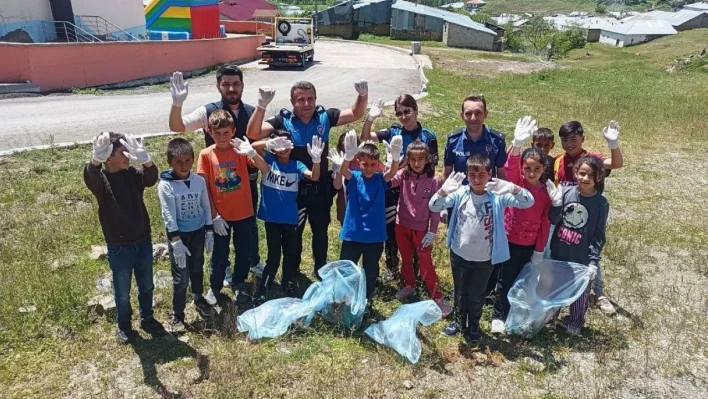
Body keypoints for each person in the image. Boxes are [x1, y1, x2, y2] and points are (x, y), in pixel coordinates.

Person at [246, 81, 369, 278]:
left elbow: (355, 113)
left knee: (320, 234)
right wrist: (261, 105)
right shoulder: (282, 119)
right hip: (294, 191)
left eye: (310, 98)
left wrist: (362, 96)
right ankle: (292, 271)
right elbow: (253, 133)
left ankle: (320, 269)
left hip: (320, 188)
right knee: (294, 235)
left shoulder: (325, 117)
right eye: (300, 99)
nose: (306, 103)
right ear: (292, 102)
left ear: (315, 99)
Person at [168, 67, 265, 281]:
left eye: (236, 84)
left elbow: (266, 135)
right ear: (218, 86)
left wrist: (267, 142)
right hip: (217, 185)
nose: (231, 88)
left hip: (247, 182)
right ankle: (224, 268)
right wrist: (177, 103)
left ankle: (252, 261)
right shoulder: (209, 112)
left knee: (248, 228)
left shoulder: (250, 111)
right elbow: (178, 126)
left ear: (242, 85)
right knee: (221, 231)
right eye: (226, 84)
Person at [429, 154, 534, 346]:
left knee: (477, 294)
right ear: (467, 175)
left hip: (485, 258)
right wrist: (443, 192)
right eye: (472, 175)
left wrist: (513, 188)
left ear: (490, 174)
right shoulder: (460, 194)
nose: (477, 180)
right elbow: (433, 206)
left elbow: (528, 202)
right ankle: (459, 322)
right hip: (459, 254)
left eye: (482, 175)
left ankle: (474, 325)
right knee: (460, 291)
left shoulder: (497, 197)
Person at [84, 132, 164, 344]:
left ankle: (147, 318)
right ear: (108, 158)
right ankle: (124, 326)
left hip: (143, 241)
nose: (128, 156)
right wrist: (94, 162)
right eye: (123, 152)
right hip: (119, 246)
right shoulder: (102, 181)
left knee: (147, 285)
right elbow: (90, 177)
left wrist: (146, 161)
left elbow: (150, 179)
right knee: (122, 292)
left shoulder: (133, 175)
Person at [360, 94, 439, 279]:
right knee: (391, 229)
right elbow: (365, 138)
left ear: (416, 110)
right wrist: (370, 119)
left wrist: (398, 163)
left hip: (415, 192)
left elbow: (431, 167)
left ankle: (416, 267)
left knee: (417, 230)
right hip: (392, 189)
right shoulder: (394, 130)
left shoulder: (428, 136)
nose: (404, 116)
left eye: (407, 111)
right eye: (399, 113)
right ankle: (392, 265)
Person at [490, 117, 557, 334]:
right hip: (508, 241)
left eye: (537, 168)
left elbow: (545, 223)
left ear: (543, 168)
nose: (531, 172)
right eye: (527, 168)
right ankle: (498, 315)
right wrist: (517, 144)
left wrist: (539, 251)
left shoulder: (546, 193)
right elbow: (508, 170)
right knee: (505, 279)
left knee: (523, 280)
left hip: (529, 246)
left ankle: (515, 314)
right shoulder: (515, 184)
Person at [197, 110, 269, 305]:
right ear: (209, 132)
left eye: (226, 133)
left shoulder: (239, 150)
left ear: (233, 131)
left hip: (244, 213)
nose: (222, 137)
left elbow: (265, 169)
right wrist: (214, 216)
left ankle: (239, 283)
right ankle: (215, 287)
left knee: (243, 252)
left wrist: (252, 152)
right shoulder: (205, 155)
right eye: (217, 133)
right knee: (219, 255)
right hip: (221, 216)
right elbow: (203, 188)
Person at [552, 120, 623, 315]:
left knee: (590, 254)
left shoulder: (591, 159)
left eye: (574, 139)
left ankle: (598, 293)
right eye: (565, 140)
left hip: (589, 213)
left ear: (582, 139)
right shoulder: (558, 160)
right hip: (566, 215)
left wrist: (613, 144)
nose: (569, 144)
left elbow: (616, 164)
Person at [250, 132, 324, 300]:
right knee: (273, 256)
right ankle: (264, 287)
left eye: (286, 144)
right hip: (272, 220)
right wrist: (270, 142)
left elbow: (315, 176)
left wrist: (317, 161)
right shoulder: (269, 160)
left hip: (291, 220)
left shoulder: (297, 165)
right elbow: (254, 147)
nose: (283, 149)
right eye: (279, 145)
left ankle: (287, 282)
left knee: (290, 254)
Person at [157, 138, 216, 333]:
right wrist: (175, 241)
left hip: (198, 231)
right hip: (180, 236)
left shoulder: (198, 180)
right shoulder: (166, 185)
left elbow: (205, 205)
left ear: (192, 159)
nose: (183, 166)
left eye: (187, 161)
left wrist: (209, 231)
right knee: (181, 277)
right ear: (170, 163)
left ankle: (198, 298)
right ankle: (177, 314)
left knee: (197, 267)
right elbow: (168, 213)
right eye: (178, 162)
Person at [338, 130, 402, 300]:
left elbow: (393, 172)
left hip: (374, 237)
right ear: (359, 162)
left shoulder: (380, 180)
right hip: (353, 235)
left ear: (378, 164)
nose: (368, 168)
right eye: (365, 164)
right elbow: (344, 170)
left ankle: (366, 300)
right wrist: (349, 155)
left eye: (373, 165)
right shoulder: (355, 177)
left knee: (371, 271)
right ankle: (344, 298)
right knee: (346, 269)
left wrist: (396, 157)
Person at [548, 155, 609, 334]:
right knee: (555, 286)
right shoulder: (566, 192)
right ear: (575, 173)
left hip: (581, 257)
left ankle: (575, 321)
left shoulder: (601, 203)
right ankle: (551, 315)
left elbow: (599, 234)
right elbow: (553, 219)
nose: (585, 178)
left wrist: (593, 260)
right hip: (559, 252)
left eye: (591, 175)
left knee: (581, 293)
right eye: (582, 173)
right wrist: (556, 204)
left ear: (599, 177)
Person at [389, 140, 451, 317]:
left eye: (421, 159)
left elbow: (436, 208)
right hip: (402, 225)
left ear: (427, 160)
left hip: (423, 230)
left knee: (425, 263)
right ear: (407, 159)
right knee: (406, 258)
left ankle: (438, 297)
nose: (417, 163)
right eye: (413, 159)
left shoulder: (433, 181)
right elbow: (388, 181)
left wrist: (432, 231)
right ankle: (409, 285)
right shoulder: (403, 174)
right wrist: (391, 162)